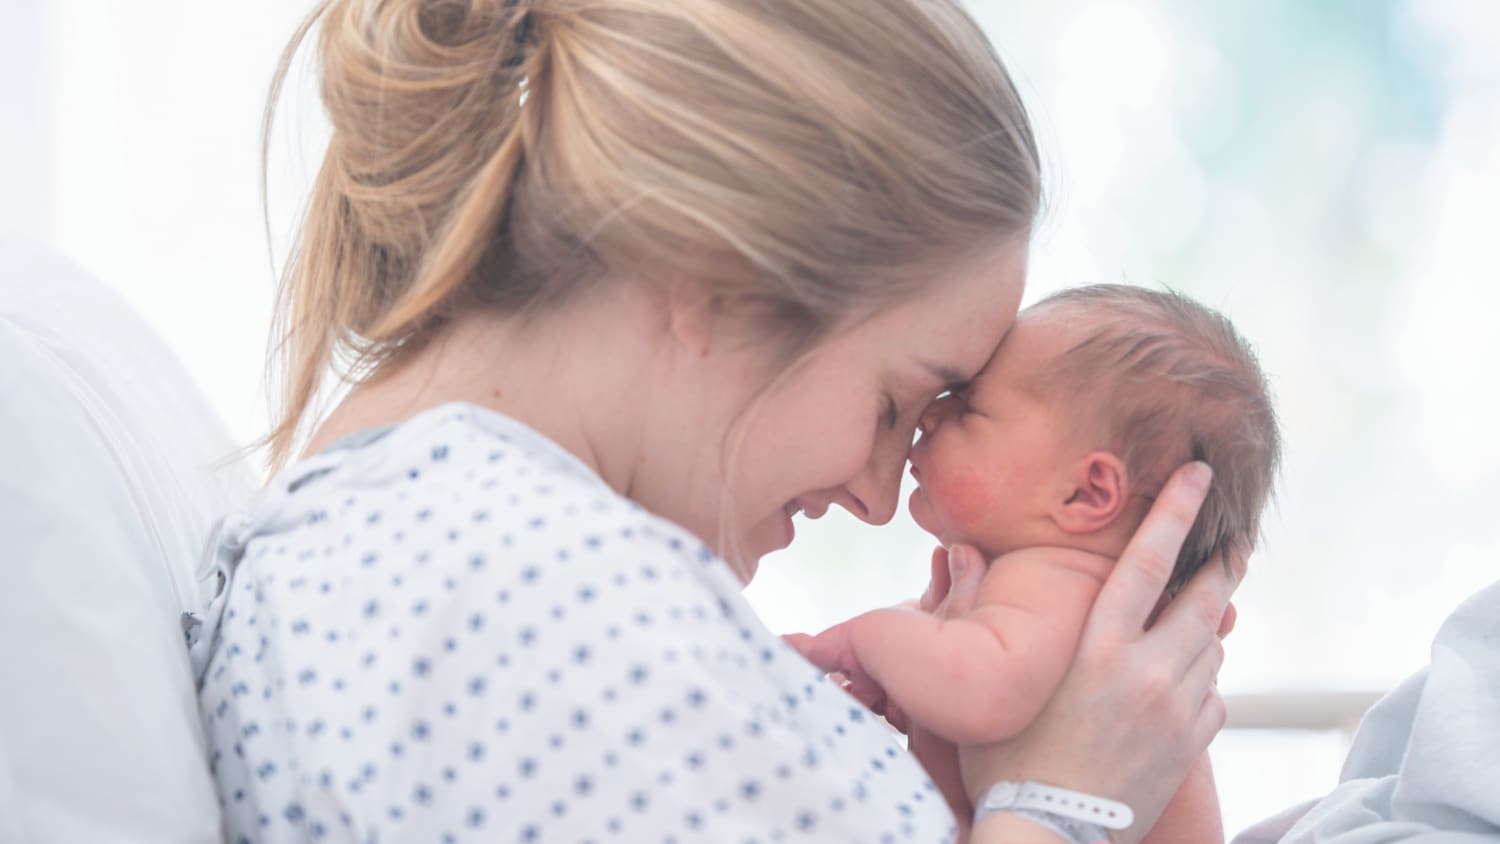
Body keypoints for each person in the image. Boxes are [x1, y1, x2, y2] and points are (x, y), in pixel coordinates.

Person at [186, 1, 1238, 842]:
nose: (882, 500)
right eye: (891, 405)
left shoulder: (451, 553)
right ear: (719, 276)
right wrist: (1062, 803)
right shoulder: (536, 597)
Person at [794, 284, 1281, 841]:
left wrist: (863, 642)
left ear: (1088, 494)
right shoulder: (1058, 596)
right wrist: (916, 693)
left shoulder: (1059, 583)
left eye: (971, 407)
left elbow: (981, 692)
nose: (929, 416)